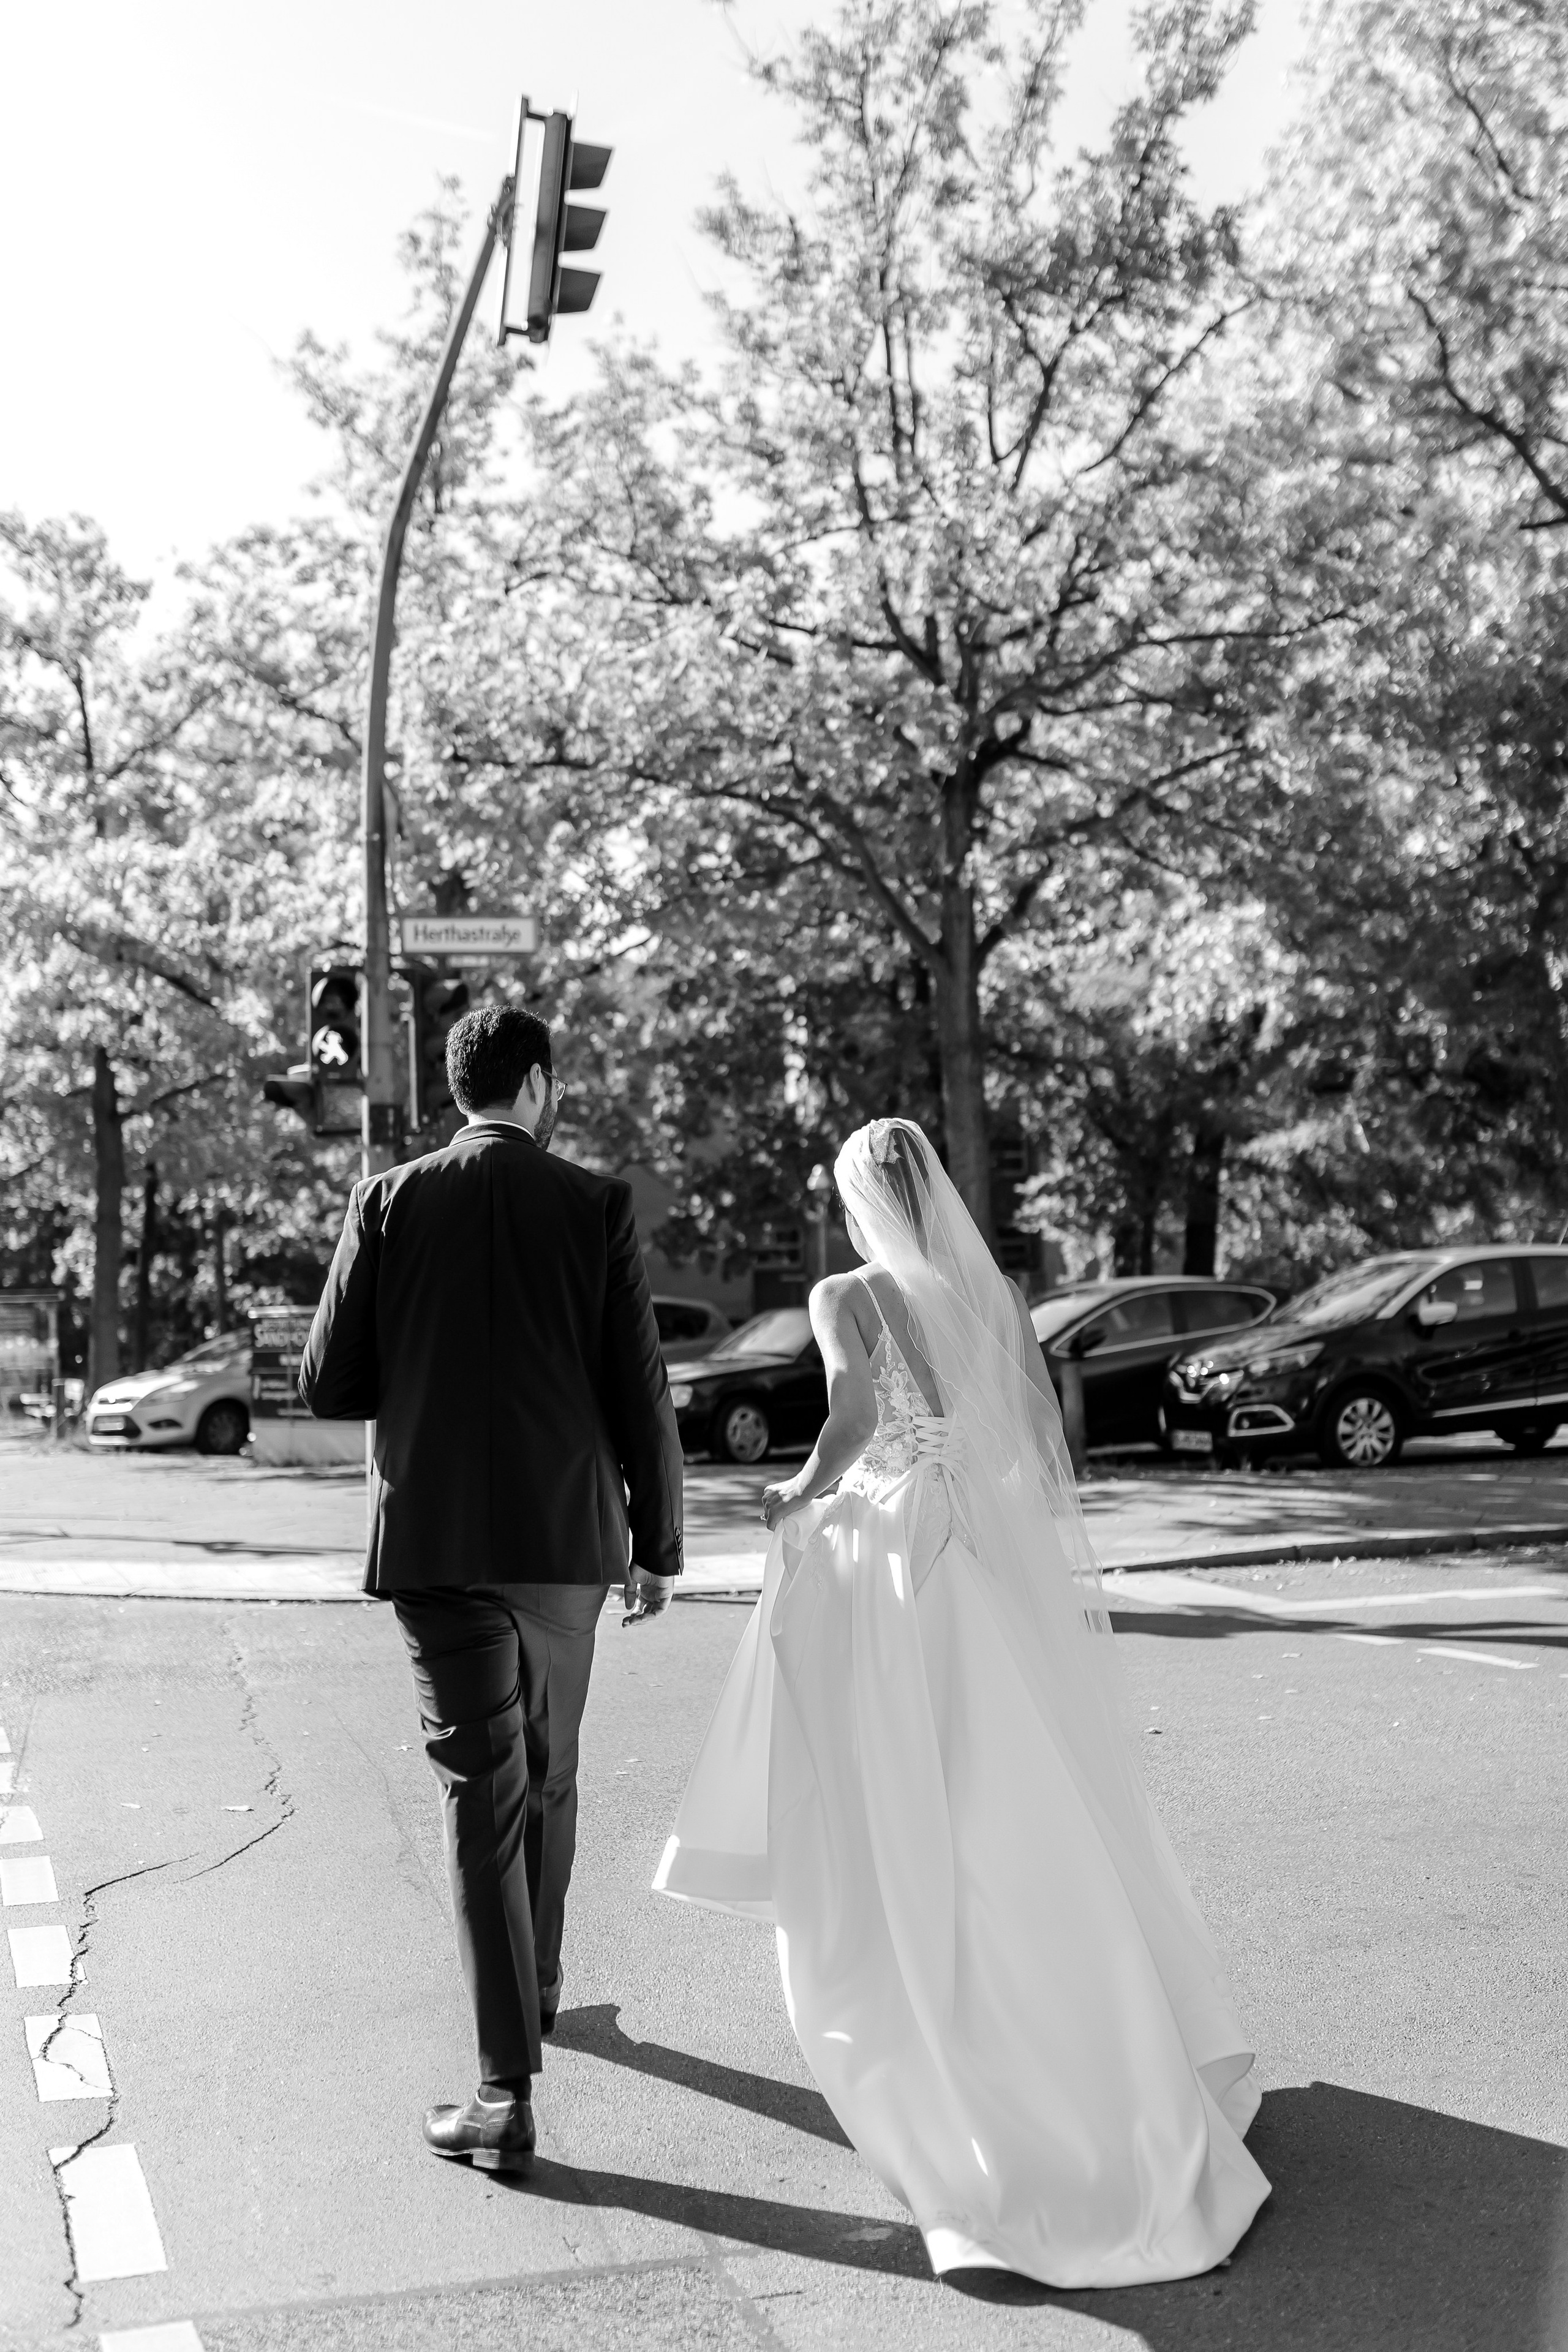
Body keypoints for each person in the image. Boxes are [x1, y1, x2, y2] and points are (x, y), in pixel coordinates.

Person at [655, 1118, 1268, 2286]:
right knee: (1011, 1784)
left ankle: (939, 1994)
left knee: (903, 1782)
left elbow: (848, 1423)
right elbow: (1007, 1437)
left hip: (892, 1553)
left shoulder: (849, 1295)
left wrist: (790, 1496)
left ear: (859, 1200)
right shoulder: (979, 1299)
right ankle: (1113, 2033)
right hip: (970, 1549)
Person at [300, 1003, 683, 2176]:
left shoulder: (387, 1198)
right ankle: (545, 1984)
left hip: (439, 1539)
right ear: (538, 1086)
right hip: (567, 1541)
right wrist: (657, 1543)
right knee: (549, 1771)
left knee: (483, 1790)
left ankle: (500, 2089)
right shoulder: (596, 1204)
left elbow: (329, 1382)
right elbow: (640, 1386)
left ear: (462, 1090)